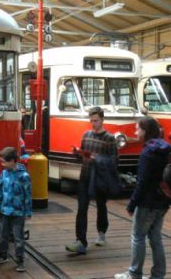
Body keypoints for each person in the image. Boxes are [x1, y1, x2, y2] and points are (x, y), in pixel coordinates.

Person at [114, 116, 171, 279]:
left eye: (137, 129)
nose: (135, 132)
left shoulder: (148, 152)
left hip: (147, 202)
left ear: (145, 132)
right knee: (155, 238)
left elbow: (142, 182)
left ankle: (134, 274)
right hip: (163, 201)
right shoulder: (166, 149)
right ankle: (158, 275)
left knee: (138, 237)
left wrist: (131, 205)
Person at [66, 106, 118, 254]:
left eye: (96, 120)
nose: (93, 124)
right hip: (85, 176)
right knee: (82, 208)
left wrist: (97, 159)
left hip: (100, 178)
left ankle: (102, 233)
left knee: (101, 205)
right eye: (91, 121)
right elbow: (82, 155)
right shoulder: (86, 134)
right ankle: (81, 241)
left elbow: (114, 161)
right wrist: (77, 153)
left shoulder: (109, 138)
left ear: (102, 119)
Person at [0, 147, 32, 272]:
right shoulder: (4, 173)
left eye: (4, 162)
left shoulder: (24, 176)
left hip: (18, 213)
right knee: (2, 235)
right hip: (5, 211)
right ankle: (3, 255)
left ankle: (20, 260)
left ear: (12, 161)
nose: (2, 164)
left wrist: (28, 212)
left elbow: (28, 195)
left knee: (18, 237)